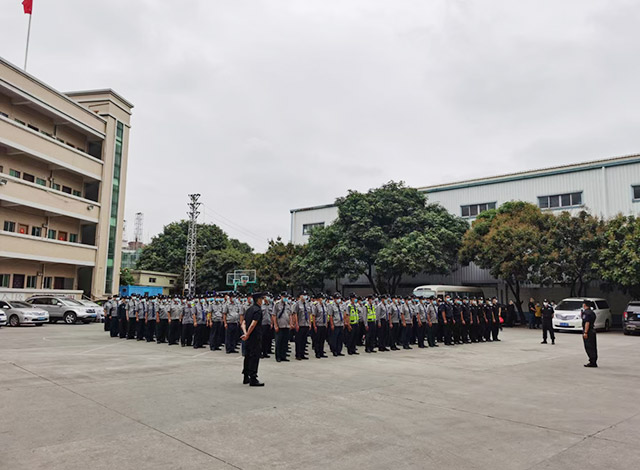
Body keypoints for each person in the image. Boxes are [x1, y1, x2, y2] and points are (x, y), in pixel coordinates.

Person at [241, 292, 266, 386]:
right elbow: (253, 324)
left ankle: (245, 376)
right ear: (258, 300)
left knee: (247, 356)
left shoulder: (249, 309)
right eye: (261, 299)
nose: (262, 301)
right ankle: (253, 378)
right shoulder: (257, 310)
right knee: (254, 357)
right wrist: (247, 334)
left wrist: (245, 333)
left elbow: (243, 323)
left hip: (248, 337)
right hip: (254, 337)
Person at [272, 292, 292, 362]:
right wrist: (275, 325)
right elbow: (274, 315)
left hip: (286, 326)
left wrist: (290, 323)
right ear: (281, 297)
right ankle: (278, 356)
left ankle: (283, 356)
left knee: (285, 342)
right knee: (278, 342)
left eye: (286, 297)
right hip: (279, 326)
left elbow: (290, 315)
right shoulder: (277, 304)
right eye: (284, 297)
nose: (286, 298)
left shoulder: (288, 305)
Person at [292, 292, 311, 360]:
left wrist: (309, 323)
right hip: (300, 324)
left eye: (306, 295)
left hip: (306, 324)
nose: (305, 297)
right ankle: (298, 355)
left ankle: (302, 354)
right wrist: (296, 324)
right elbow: (295, 314)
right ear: (300, 296)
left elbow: (309, 313)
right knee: (298, 340)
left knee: (304, 340)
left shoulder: (307, 303)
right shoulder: (297, 304)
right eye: (303, 295)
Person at [581, 301, 598, 367]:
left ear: (584, 305)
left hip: (589, 331)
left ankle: (592, 361)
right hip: (592, 330)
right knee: (593, 346)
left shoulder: (586, 313)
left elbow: (587, 323)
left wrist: (585, 332)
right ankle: (594, 361)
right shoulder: (592, 312)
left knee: (589, 346)